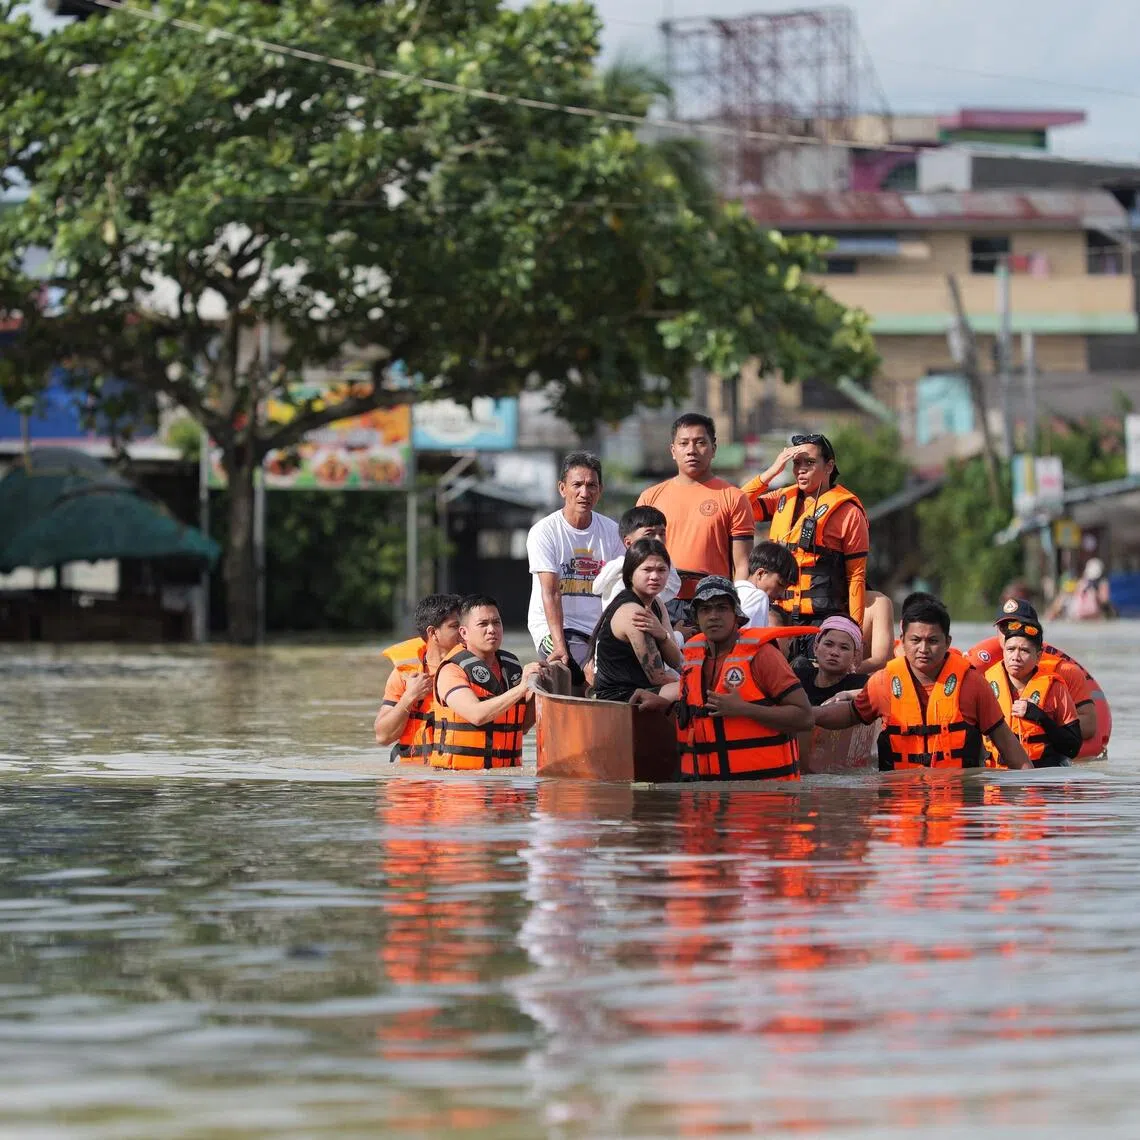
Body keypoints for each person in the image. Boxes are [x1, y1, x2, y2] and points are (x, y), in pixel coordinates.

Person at [814, 594, 1032, 771]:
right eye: (916, 640)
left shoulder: (972, 684)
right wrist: (809, 714)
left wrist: (1031, 798)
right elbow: (852, 714)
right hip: (900, 807)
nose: (923, 649)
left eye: (933, 641)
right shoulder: (884, 682)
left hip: (958, 809)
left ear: (948, 642)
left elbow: (1008, 745)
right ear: (903, 641)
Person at [635, 576, 814, 781]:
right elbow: (696, 717)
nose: (713, 616)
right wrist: (663, 706)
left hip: (764, 798)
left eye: (721, 608)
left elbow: (805, 718)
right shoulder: (693, 658)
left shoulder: (763, 656)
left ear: (736, 615)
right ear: (696, 617)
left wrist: (744, 709)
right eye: (705, 609)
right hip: (707, 795)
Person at [742, 433, 869, 627]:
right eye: (796, 463)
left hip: (822, 618)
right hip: (776, 613)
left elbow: (856, 576)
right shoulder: (782, 498)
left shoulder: (849, 512)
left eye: (809, 462)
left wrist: (854, 629)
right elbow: (737, 505)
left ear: (829, 466)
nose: (801, 470)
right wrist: (772, 472)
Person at [636, 413, 754, 617]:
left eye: (700, 442)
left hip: (712, 604)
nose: (691, 450)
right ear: (673, 450)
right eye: (683, 443)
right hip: (660, 602)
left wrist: (736, 609)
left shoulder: (734, 498)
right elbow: (636, 557)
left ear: (714, 449)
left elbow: (742, 563)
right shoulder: (650, 497)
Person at [527, 451, 624, 689]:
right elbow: (551, 593)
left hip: (599, 629)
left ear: (600, 490)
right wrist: (559, 646)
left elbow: (621, 589)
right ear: (562, 488)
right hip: (558, 628)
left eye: (591, 485)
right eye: (577, 485)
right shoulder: (545, 531)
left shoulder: (612, 532)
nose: (584, 493)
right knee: (589, 674)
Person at [967, 598, 1100, 749]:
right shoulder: (982, 671)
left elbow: (1089, 726)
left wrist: (1041, 719)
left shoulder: (1065, 672)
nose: (1011, 632)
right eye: (1004, 627)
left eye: (1017, 625)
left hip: (1044, 760)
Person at [430, 594, 543, 770]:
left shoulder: (510, 666)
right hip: (460, 785)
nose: (492, 629)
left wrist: (540, 689)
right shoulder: (450, 670)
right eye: (483, 624)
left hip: (506, 782)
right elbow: (477, 715)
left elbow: (522, 726)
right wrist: (522, 688)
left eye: (496, 623)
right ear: (464, 633)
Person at [982, 608, 1081, 769]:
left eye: (1025, 651)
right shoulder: (984, 684)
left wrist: (1039, 717)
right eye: (1011, 649)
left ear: (1038, 656)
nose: (1015, 657)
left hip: (1040, 780)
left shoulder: (1055, 688)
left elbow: (1073, 747)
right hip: (996, 781)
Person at [591, 539, 683, 704]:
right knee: (695, 690)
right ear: (630, 574)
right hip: (619, 699)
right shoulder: (634, 613)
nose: (655, 576)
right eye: (647, 570)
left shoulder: (657, 604)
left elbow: (676, 661)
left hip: (644, 689)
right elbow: (658, 678)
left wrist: (662, 635)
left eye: (662, 570)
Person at [374, 593, 462, 762]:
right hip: (413, 779)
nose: (463, 631)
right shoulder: (405, 675)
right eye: (454, 626)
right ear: (433, 632)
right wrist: (410, 696)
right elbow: (383, 737)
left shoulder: (474, 669)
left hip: (458, 778)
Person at [592, 505, 682, 609]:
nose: (658, 540)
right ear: (628, 542)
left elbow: (673, 587)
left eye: (662, 534)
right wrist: (625, 565)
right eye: (649, 534)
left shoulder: (663, 566)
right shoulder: (618, 566)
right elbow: (597, 588)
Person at [794, 615, 868, 707]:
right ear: (815, 648)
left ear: (855, 655)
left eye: (844, 647)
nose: (834, 652)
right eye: (828, 644)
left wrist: (848, 695)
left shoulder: (862, 685)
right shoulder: (795, 679)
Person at [734, 540, 799, 628]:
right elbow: (749, 639)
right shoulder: (758, 596)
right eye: (780, 584)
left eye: (785, 588)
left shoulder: (733, 590)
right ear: (760, 574)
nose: (781, 594)